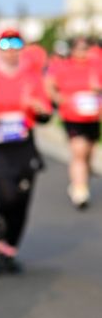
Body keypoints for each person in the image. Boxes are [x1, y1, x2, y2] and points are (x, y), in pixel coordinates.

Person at [0, 30, 51, 275]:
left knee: (22, 200)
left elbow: (46, 114)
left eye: (16, 44)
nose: (11, 50)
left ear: (22, 48)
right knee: (7, 197)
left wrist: (39, 109)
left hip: (23, 145)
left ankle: (7, 250)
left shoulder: (31, 77)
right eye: (5, 44)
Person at [45, 36, 102, 208]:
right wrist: (59, 98)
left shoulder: (96, 65)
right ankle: (80, 191)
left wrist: (97, 88)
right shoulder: (62, 66)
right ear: (72, 50)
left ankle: (82, 179)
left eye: (86, 48)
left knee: (88, 153)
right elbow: (49, 85)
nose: (83, 52)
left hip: (92, 117)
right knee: (79, 151)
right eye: (79, 48)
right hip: (72, 117)